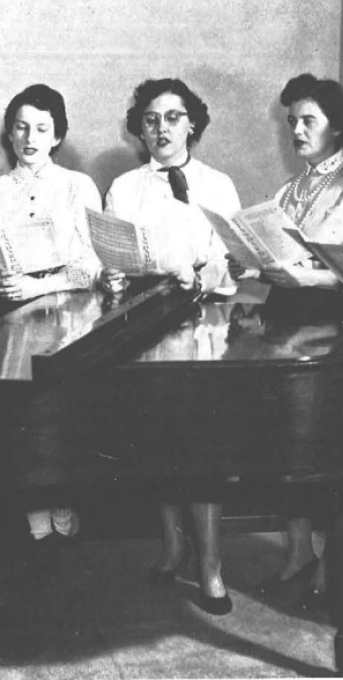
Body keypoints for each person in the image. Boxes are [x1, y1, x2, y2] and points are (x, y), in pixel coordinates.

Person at [103, 78, 241, 615]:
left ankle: (211, 565)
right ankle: (172, 546)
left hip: (204, 327)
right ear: (140, 129)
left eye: (173, 117)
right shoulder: (123, 188)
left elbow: (230, 258)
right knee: (155, 441)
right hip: (144, 328)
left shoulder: (218, 185)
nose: (161, 128)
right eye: (151, 119)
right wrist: (128, 273)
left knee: (202, 447)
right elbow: (116, 254)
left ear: (192, 124)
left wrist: (202, 276)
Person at [0, 84, 102, 546]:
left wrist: (38, 285)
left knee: (59, 420)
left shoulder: (76, 187)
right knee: (21, 423)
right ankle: (35, 523)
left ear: (57, 135)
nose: (30, 138)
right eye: (22, 127)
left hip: (67, 317)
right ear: (9, 133)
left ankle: (63, 509)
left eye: (42, 129)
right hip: (11, 324)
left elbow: (91, 266)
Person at [229, 73, 343, 608]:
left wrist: (304, 276)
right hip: (287, 323)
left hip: (331, 327)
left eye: (308, 121)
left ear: (336, 126)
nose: (296, 130)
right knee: (290, 449)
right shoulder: (292, 189)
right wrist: (247, 260)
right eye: (292, 121)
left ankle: (332, 565)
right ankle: (299, 552)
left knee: (328, 454)